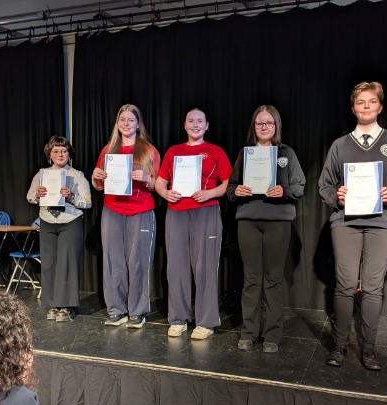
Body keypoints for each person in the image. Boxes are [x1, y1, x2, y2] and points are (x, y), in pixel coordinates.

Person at [318, 81, 387, 370]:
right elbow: (324, 185)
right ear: (353, 108)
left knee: (373, 287)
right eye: (361, 102)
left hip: (382, 223)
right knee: (345, 284)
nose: (366, 107)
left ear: (380, 106)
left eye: (372, 101)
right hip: (345, 222)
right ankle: (339, 347)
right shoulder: (340, 145)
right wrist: (337, 195)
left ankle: (369, 350)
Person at [226, 105, 306, 353]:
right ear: (254, 126)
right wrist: (237, 190)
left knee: (273, 278)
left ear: (276, 125)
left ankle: (272, 334)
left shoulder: (286, 153)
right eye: (259, 123)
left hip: (277, 222)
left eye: (269, 123)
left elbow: (299, 186)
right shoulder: (245, 154)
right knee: (251, 278)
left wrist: (284, 190)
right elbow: (231, 187)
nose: (264, 127)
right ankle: (248, 332)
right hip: (249, 221)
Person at [155, 108, 232, 340]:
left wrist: (210, 193)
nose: (195, 125)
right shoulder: (173, 151)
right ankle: (178, 319)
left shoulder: (215, 151)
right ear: (185, 125)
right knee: (176, 267)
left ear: (207, 125)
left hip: (206, 212)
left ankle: (206, 322)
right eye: (191, 121)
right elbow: (160, 182)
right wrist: (165, 193)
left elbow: (229, 182)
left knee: (205, 267)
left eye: (200, 121)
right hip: (176, 213)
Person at [91, 104, 161, 329]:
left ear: (138, 124)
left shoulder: (148, 150)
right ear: (117, 123)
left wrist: (146, 178)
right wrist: (96, 176)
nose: (126, 124)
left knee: (138, 262)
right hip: (112, 210)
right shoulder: (108, 150)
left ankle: (137, 311)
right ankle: (116, 310)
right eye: (123, 120)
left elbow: (159, 185)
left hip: (140, 211)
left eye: (131, 120)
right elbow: (99, 185)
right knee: (113, 262)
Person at [27, 136, 92, 322]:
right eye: (56, 151)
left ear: (69, 154)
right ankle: (53, 305)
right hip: (47, 221)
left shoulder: (77, 176)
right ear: (49, 154)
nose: (60, 154)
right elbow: (30, 197)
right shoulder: (41, 175)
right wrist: (37, 195)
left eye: (64, 151)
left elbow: (87, 203)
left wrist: (71, 196)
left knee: (67, 263)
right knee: (49, 264)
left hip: (70, 221)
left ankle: (68, 306)